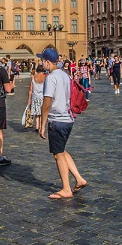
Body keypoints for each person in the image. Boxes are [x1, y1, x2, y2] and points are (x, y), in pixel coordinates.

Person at [37, 48, 87, 200]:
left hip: (57, 120)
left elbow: (47, 102)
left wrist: (42, 124)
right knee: (62, 150)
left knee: (58, 154)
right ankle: (79, 179)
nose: (41, 63)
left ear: (47, 62)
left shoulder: (51, 78)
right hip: (68, 118)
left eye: (42, 60)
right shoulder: (65, 75)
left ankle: (66, 188)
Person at [25, 62, 48, 130]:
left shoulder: (34, 78)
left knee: (37, 112)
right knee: (42, 112)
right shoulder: (45, 78)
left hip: (35, 97)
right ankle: (41, 125)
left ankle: (37, 125)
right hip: (43, 97)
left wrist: (29, 99)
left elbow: (30, 89)